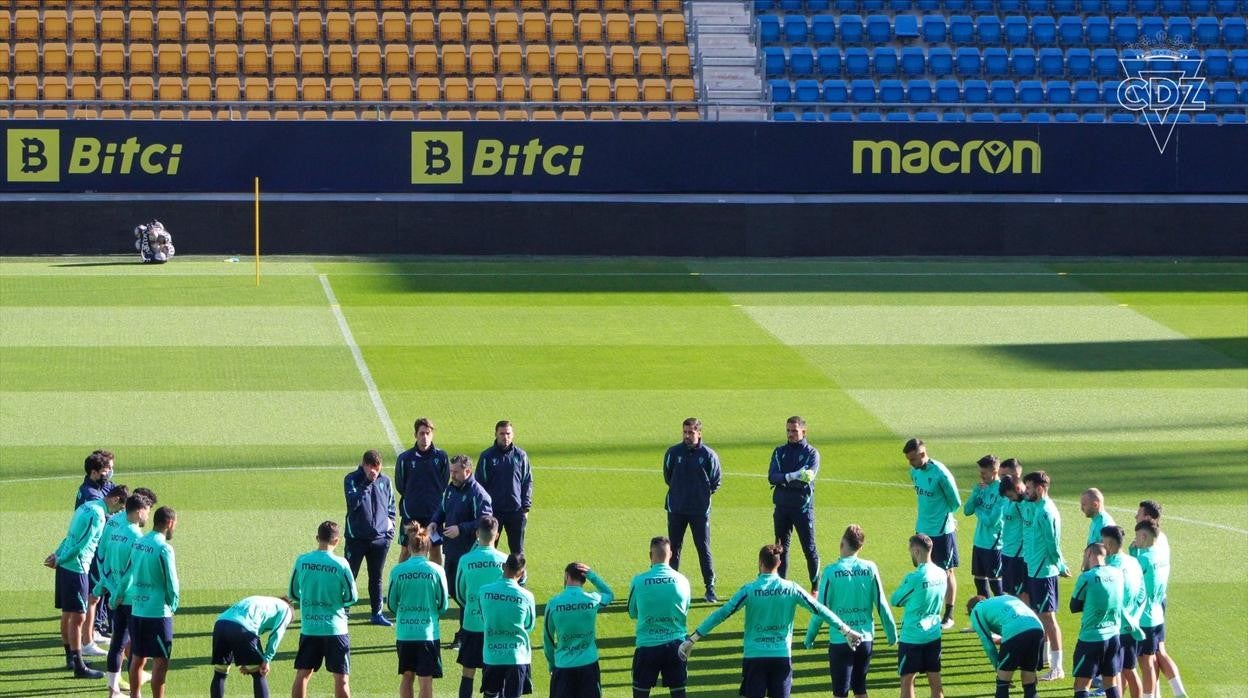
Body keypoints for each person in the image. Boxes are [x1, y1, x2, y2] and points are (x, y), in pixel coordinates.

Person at [681, 544, 863, 698]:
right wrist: (846, 630)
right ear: (780, 563)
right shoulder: (791, 589)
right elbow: (820, 609)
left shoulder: (749, 590)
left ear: (760, 563)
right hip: (781, 657)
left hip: (755, 658)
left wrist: (693, 639)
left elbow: (721, 614)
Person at [45, 485, 128, 680]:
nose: (120, 512)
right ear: (115, 499)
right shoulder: (98, 514)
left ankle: (71, 659)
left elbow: (69, 536)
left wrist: (58, 554)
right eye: (121, 507)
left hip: (66, 566)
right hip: (77, 568)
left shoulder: (86, 506)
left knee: (67, 614)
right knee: (78, 617)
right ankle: (79, 666)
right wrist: (60, 559)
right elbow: (82, 543)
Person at [805, 524, 898, 698]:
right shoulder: (870, 567)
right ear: (860, 547)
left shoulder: (831, 571)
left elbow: (820, 609)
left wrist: (810, 636)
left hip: (840, 640)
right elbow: (881, 603)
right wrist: (891, 634)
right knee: (860, 689)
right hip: (865, 639)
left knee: (840, 693)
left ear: (841, 543)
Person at [114, 505, 179, 698]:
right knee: (160, 661)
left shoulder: (139, 543)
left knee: (137, 657)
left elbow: (127, 575)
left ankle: (135, 696)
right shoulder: (164, 548)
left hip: (137, 610)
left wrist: (117, 596)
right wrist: (173, 604)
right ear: (170, 523)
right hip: (158, 612)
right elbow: (172, 582)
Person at [289, 521, 359, 698]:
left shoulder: (303, 561)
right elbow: (352, 597)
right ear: (336, 541)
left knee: (303, 674)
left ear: (317, 538)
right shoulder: (341, 564)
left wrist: (309, 599)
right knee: (341, 678)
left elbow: (293, 593)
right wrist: (336, 601)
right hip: (336, 629)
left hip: (310, 628)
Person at [431, 455, 493, 652]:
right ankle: (468, 631)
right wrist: (434, 520)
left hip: (469, 554)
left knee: (466, 595)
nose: (452, 475)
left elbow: (485, 521)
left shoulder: (478, 494)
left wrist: (461, 529)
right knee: (454, 592)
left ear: (467, 471)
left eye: (456, 472)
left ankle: (464, 634)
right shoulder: (451, 489)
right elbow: (442, 509)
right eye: (451, 471)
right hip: (452, 550)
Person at [903, 438, 962, 630]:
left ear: (922, 454)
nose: (910, 464)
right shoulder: (914, 472)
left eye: (912, 459)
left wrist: (949, 520)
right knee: (923, 571)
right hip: (922, 529)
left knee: (946, 571)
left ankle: (949, 614)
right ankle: (928, 610)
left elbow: (955, 503)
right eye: (908, 460)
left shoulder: (940, 473)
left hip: (942, 532)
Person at [663, 417, 722, 603]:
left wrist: (701, 495)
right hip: (677, 508)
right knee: (673, 548)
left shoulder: (708, 455)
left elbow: (716, 481)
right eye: (685, 432)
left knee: (703, 548)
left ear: (699, 433)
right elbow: (668, 476)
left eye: (691, 433)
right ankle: (670, 587)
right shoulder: (673, 452)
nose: (687, 436)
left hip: (699, 510)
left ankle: (709, 588)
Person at [98, 492, 152, 697]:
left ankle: (113, 690)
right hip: (129, 599)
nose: (148, 515)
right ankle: (135, 692)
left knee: (117, 643)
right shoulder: (137, 537)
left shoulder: (115, 531)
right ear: (139, 512)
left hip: (115, 597)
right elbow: (130, 573)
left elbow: (104, 562)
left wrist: (106, 588)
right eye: (147, 511)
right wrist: (118, 594)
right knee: (137, 648)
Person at [387, 523, 450, 698]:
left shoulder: (398, 571)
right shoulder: (436, 571)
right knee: (426, 680)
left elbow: (391, 604)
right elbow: (444, 604)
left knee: (407, 677)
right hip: (428, 633)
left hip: (405, 633)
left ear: (408, 547)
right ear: (428, 546)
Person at [1020, 471, 1070, 681]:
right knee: (1040, 616)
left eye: (1030, 488)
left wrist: (1060, 564)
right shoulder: (1036, 507)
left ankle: (1057, 667)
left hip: (1044, 572)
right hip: (1034, 569)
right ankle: (1046, 658)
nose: (1027, 491)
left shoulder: (1046, 512)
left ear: (1040, 488)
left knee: (1049, 618)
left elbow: (1052, 543)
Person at [628, 536, 692, 698]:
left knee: (640, 693)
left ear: (650, 555)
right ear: (670, 555)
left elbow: (632, 612)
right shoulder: (682, 580)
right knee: (678, 693)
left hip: (647, 646)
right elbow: (685, 610)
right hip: (676, 645)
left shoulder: (639, 581)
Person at [1131, 521, 1187, 698]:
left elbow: (1131, 583)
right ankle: (1177, 693)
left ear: (1144, 536)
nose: (1135, 539)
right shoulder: (1161, 555)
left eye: (1137, 536)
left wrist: (1133, 556)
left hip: (1143, 619)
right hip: (1158, 615)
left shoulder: (1143, 559)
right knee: (1157, 656)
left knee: (1145, 663)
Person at [544, 562, 615, 698]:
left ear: (566, 576)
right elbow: (609, 594)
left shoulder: (554, 604)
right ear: (584, 579)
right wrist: (592, 576)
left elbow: (548, 639)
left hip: (563, 666)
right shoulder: (593, 599)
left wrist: (552, 664)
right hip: (589, 665)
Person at [1070, 543, 1132, 698]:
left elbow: (1074, 606)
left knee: (1081, 685)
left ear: (1089, 553)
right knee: (1110, 683)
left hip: (1091, 638)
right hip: (1113, 637)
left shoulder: (1087, 577)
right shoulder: (1118, 573)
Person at [343, 449, 397, 626]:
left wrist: (389, 531)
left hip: (380, 540)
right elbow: (353, 503)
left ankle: (377, 613)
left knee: (377, 577)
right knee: (350, 575)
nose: (375, 471)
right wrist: (367, 482)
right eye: (372, 467)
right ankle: (344, 611)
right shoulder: (351, 479)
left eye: (378, 467)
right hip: (356, 538)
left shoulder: (385, 481)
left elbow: (391, 507)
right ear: (365, 465)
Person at [455, 516, 507, 698]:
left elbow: (459, 593)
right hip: (496, 626)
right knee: (492, 674)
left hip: (471, 623)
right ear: (497, 535)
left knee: (468, 673)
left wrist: (471, 606)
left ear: (477, 534)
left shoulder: (466, 560)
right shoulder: (505, 561)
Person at [767, 416, 821, 588]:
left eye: (794, 431)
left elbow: (806, 479)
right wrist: (792, 476)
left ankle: (815, 588)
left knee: (809, 548)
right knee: (781, 548)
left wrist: (785, 479)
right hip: (782, 507)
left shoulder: (811, 453)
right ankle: (781, 585)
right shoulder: (779, 452)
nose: (790, 434)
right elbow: (772, 477)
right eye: (788, 430)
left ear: (803, 432)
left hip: (803, 508)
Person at [890, 534, 947, 698]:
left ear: (916, 551)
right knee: (936, 682)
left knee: (907, 680)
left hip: (912, 637)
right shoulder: (941, 573)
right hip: (934, 633)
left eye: (910, 551)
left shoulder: (915, 577)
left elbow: (896, 600)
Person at [210, 596, 294, 698]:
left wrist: (246, 663)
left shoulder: (265, 602)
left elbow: (243, 629)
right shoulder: (286, 609)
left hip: (220, 623)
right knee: (259, 673)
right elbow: (277, 634)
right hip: (242, 627)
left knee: (220, 672)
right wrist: (267, 660)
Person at [479, 553, 537, 698]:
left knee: (490, 695)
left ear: (503, 566)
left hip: (492, 655)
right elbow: (529, 625)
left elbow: (483, 617)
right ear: (522, 573)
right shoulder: (526, 596)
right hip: (517, 656)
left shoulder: (484, 591)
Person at [966, 594, 1045, 698]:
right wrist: (1035, 667)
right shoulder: (1004, 598)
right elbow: (1024, 628)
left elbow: (988, 645)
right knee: (1029, 683)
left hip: (1016, 631)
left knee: (1002, 684)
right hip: (1038, 628)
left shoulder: (976, 610)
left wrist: (998, 669)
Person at [75, 449, 117, 645]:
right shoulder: (90, 494)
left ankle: (98, 625)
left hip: (103, 547)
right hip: (94, 549)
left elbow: (117, 496)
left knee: (102, 587)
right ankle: (93, 629)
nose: (109, 472)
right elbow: (107, 517)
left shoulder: (103, 486)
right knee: (95, 589)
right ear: (94, 471)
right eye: (107, 469)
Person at [395, 418, 450, 565]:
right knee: (406, 550)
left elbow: (444, 482)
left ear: (432, 435)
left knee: (435, 549)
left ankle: (436, 583)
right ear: (415, 435)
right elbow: (400, 485)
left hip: (434, 515)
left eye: (428, 433)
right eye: (421, 433)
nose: (424, 437)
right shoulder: (404, 459)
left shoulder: (441, 457)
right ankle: (402, 580)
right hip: (411, 515)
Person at [1102, 526, 1146, 698]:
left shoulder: (1111, 568)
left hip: (1117, 626)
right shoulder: (1133, 561)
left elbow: (1112, 599)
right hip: (1132, 624)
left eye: (1103, 543)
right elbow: (1143, 593)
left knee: (1117, 672)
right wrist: (1134, 618)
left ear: (1110, 544)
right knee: (1129, 670)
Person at [477, 421, 533, 555]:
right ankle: (490, 576)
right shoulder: (487, 457)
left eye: (508, 433)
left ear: (513, 435)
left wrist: (525, 507)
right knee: (488, 550)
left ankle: (520, 576)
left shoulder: (521, 456)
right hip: (493, 512)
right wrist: (484, 510)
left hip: (516, 511)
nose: (505, 437)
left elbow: (527, 481)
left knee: (518, 552)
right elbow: (479, 485)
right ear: (496, 434)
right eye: (502, 433)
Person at [964, 455, 1006, 599]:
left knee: (996, 586)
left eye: (984, 473)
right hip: (979, 542)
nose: (980, 476)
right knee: (980, 583)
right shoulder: (981, 488)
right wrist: (976, 493)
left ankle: (1003, 615)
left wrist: (978, 509)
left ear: (994, 472)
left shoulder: (1001, 492)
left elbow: (991, 521)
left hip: (993, 545)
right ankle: (986, 617)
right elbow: (967, 510)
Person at [998, 463, 1028, 599]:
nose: (1009, 498)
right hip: (1007, 550)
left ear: (1017, 488)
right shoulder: (1009, 501)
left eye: (1010, 496)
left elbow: (1029, 527)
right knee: (1010, 592)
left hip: (1018, 554)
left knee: (1021, 594)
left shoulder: (1024, 504)